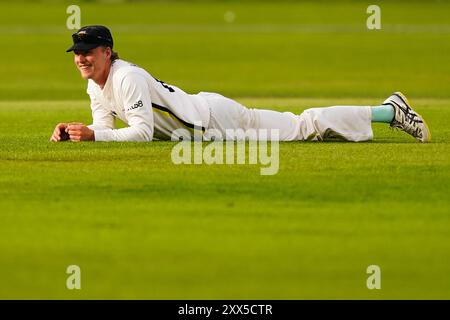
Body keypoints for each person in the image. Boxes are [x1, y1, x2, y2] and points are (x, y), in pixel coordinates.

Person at [50, 25, 431, 143]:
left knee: (301, 127)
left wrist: (97, 137)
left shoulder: (126, 76)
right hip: (206, 118)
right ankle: (386, 110)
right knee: (300, 127)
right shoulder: (95, 85)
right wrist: (77, 132)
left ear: (108, 52)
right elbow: (104, 128)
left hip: (217, 121)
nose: (81, 58)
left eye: (88, 51)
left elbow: (142, 134)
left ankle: (389, 111)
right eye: (77, 52)